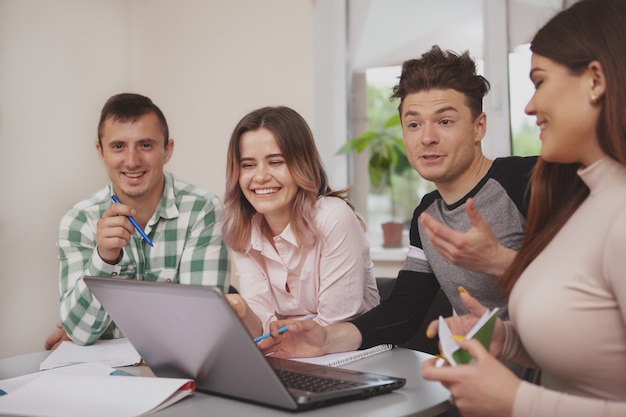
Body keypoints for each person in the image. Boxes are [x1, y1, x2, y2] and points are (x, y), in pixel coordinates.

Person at [257, 46, 539, 382]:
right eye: (414, 124)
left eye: (445, 121)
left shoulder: (528, 181)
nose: (428, 138)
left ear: (479, 127)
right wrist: (325, 339)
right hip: (479, 389)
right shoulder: (427, 214)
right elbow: (404, 312)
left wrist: (499, 259)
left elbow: (587, 283)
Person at [420, 0, 626, 415]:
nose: (530, 107)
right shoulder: (582, 200)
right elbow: (598, 353)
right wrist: (504, 340)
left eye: (539, 81)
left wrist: (516, 402)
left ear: (595, 80)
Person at [45, 93, 230, 348]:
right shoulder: (78, 220)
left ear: (167, 150)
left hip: (178, 373)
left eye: (145, 145)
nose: (132, 161)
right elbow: (81, 332)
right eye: (118, 146)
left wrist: (107, 329)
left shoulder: (202, 210)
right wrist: (104, 258)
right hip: (102, 378)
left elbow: (202, 324)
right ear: (101, 151)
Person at [222, 106, 379, 338]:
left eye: (276, 162)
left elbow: (333, 326)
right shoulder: (242, 228)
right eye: (248, 165)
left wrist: (281, 323)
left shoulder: (333, 217)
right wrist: (244, 312)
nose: (260, 176)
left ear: (301, 165)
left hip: (358, 357)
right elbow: (261, 329)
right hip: (292, 357)